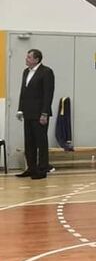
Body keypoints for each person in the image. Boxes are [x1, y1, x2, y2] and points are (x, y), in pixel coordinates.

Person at [17, 49, 55, 180]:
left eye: (29, 57)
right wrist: (20, 109)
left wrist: (44, 113)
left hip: (40, 113)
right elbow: (23, 91)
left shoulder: (46, 72)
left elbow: (48, 94)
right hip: (28, 112)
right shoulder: (26, 72)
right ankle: (31, 168)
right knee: (29, 142)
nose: (26, 59)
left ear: (36, 59)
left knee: (41, 142)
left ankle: (42, 169)